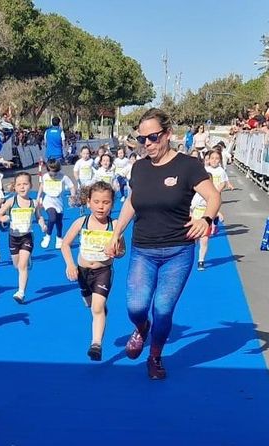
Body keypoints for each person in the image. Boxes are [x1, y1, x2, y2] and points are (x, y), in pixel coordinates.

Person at [107, 109, 222, 380]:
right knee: (135, 307)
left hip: (178, 251)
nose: (147, 143)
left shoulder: (188, 166)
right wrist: (117, 231)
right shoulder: (139, 167)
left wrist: (206, 218)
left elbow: (214, 197)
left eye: (153, 137)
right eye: (141, 138)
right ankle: (141, 327)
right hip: (143, 250)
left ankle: (155, 356)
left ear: (168, 135)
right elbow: (132, 202)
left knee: (163, 309)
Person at [59, 181, 123, 361]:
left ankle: (96, 344)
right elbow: (65, 244)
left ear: (112, 203)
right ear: (88, 202)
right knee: (90, 305)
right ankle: (100, 309)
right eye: (96, 202)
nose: (101, 207)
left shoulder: (115, 225)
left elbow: (122, 250)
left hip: (103, 271)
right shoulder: (82, 222)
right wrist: (70, 265)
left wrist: (117, 252)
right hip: (82, 271)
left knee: (96, 308)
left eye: (106, 202)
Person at [0, 172, 38, 303]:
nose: (22, 187)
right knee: (17, 265)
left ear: (31, 185)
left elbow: (39, 217)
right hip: (13, 238)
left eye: (25, 184)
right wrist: (2, 218)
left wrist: (43, 224)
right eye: (19, 184)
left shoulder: (34, 202)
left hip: (27, 237)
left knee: (22, 266)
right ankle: (27, 262)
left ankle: (21, 293)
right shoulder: (11, 201)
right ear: (14, 187)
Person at [193, 147, 234, 270]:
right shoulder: (204, 171)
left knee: (204, 239)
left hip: (211, 203)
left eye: (217, 158)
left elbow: (224, 182)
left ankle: (201, 261)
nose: (215, 160)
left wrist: (216, 193)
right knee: (195, 237)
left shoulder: (221, 171)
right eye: (212, 158)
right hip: (197, 211)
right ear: (208, 160)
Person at [37, 160, 73, 250]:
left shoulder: (63, 177)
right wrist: (38, 197)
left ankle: (59, 238)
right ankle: (48, 236)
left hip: (58, 200)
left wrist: (73, 196)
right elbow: (42, 186)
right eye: (51, 174)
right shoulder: (45, 176)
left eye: (55, 174)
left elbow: (72, 186)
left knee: (58, 221)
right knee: (52, 218)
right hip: (48, 200)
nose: (53, 176)